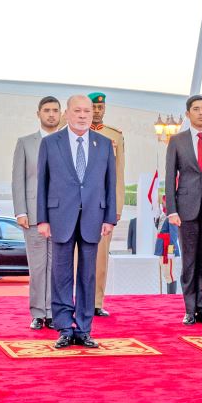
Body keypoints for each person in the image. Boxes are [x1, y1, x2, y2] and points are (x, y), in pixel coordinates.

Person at [37, 95, 117, 349]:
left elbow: (110, 183)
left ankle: (83, 329)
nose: (83, 115)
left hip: (93, 216)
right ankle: (63, 328)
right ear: (67, 114)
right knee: (61, 275)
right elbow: (42, 183)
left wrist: (109, 217)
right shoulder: (50, 143)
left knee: (87, 276)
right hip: (60, 217)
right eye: (77, 111)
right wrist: (42, 219)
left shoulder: (104, 144)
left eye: (87, 111)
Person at [164, 94, 202, 325]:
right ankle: (189, 308)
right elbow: (169, 177)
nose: (201, 112)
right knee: (189, 261)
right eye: (196, 109)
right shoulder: (177, 141)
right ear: (188, 114)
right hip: (186, 209)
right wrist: (172, 210)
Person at [12, 96, 62, 330]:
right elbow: (18, 179)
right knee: (38, 267)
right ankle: (37, 313)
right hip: (32, 215)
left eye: (55, 110)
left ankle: (52, 312)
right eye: (47, 110)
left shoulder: (67, 142)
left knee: (57, 267)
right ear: (38, 114)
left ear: (61, 114)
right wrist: (20, 211)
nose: (51, 114)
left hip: (61, 215)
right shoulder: (25, 143)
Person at [88, 91, 124, 317]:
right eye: (93, 107)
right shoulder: (72, 132)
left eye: (100, 107)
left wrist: (117, 207)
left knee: (100, 258)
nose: (97, 111)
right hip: (78, 205)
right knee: (75, 258)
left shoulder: (114, 136)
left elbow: (118, 174)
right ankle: (75, 300)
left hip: (102, 205)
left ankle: (96, 302)